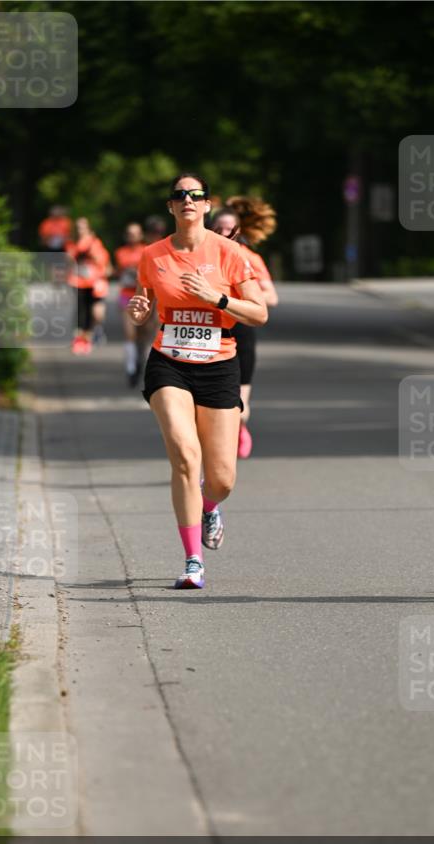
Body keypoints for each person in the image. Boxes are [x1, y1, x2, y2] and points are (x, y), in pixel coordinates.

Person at [127, 173, 267, 589]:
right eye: (179, 195)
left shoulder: (229, 253)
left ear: (207, 205)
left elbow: (259, 314)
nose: (187, 200)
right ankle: (193, 561)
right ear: (170, 207)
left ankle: (209, 506)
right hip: (169, 362)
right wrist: (138, 312)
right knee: (186, 458)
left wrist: (216, 298)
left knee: (222, 477)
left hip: (221, 364)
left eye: (196, 195)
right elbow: (144, 303)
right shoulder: (153, 255)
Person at [211, 197, 278, 457]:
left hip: (241, 333)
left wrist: (244, 296)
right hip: (210, 334)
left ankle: (238, 429)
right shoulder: (203, 255)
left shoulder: (249, 258)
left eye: (229, 227)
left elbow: (271, 297)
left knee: (240, 405)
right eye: (219, 227)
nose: (224, 232)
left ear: (238, 230)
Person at [65, 218, 110, 355]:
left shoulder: (95, 243)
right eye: (78, 227)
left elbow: (102, 261)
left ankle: (88, 337)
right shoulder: (71, 244)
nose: (80, 230)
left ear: (88, 229)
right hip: (77, 280)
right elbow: (68, 261)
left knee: (92, 311)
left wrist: (90, 251)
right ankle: (78, 339)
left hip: (93, 282)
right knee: (80, 309)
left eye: (83, 227)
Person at [114, 223, 150, 385]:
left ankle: (140, 361)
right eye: (129, 233)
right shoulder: (120, 252)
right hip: (126, 295)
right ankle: (131, 368)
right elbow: (118, 271)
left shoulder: (148, 250)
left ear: (140, 235)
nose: (132, 236)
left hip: (143, 295)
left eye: (135, 233)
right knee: (130, 333)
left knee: (143, 334)